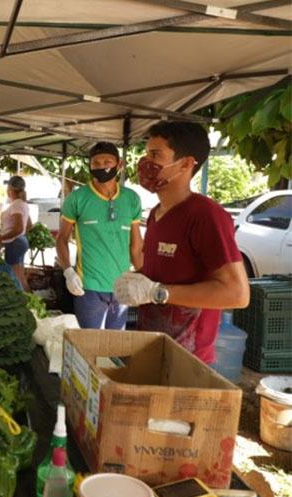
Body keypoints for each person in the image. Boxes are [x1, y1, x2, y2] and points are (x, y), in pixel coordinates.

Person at [114, 121, 249, 364]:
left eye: (156, 155)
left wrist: (158, 293)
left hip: (187, 359)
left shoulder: (205, 216)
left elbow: (237, 294)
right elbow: (166, 274)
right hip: (152, 347)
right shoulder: (156, 214)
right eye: (146, 154)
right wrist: (137, 279)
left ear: (186, 164)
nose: (146, 163)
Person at [56, 142, 143, 329]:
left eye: (107, 161)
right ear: (90, 166)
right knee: (89, 347)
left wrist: (144, 276)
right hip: (89, 287)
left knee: (115, 346)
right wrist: (68, 272)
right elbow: (61, 239)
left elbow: (136, 246)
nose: (102, 166)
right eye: (96, 163)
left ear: (119, 164)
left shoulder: (131, 199)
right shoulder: (78, 198)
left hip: (122, 287)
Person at [0, 176, 32, 291]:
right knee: (20, 275)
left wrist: (2, 238)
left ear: (10, 190)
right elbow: (29, 225)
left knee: (15, 276)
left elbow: (18, 228)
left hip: (15, 243)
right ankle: (30, 301)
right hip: (20, 241)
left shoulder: (17, 204)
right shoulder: (22, 204)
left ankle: (27, 302)